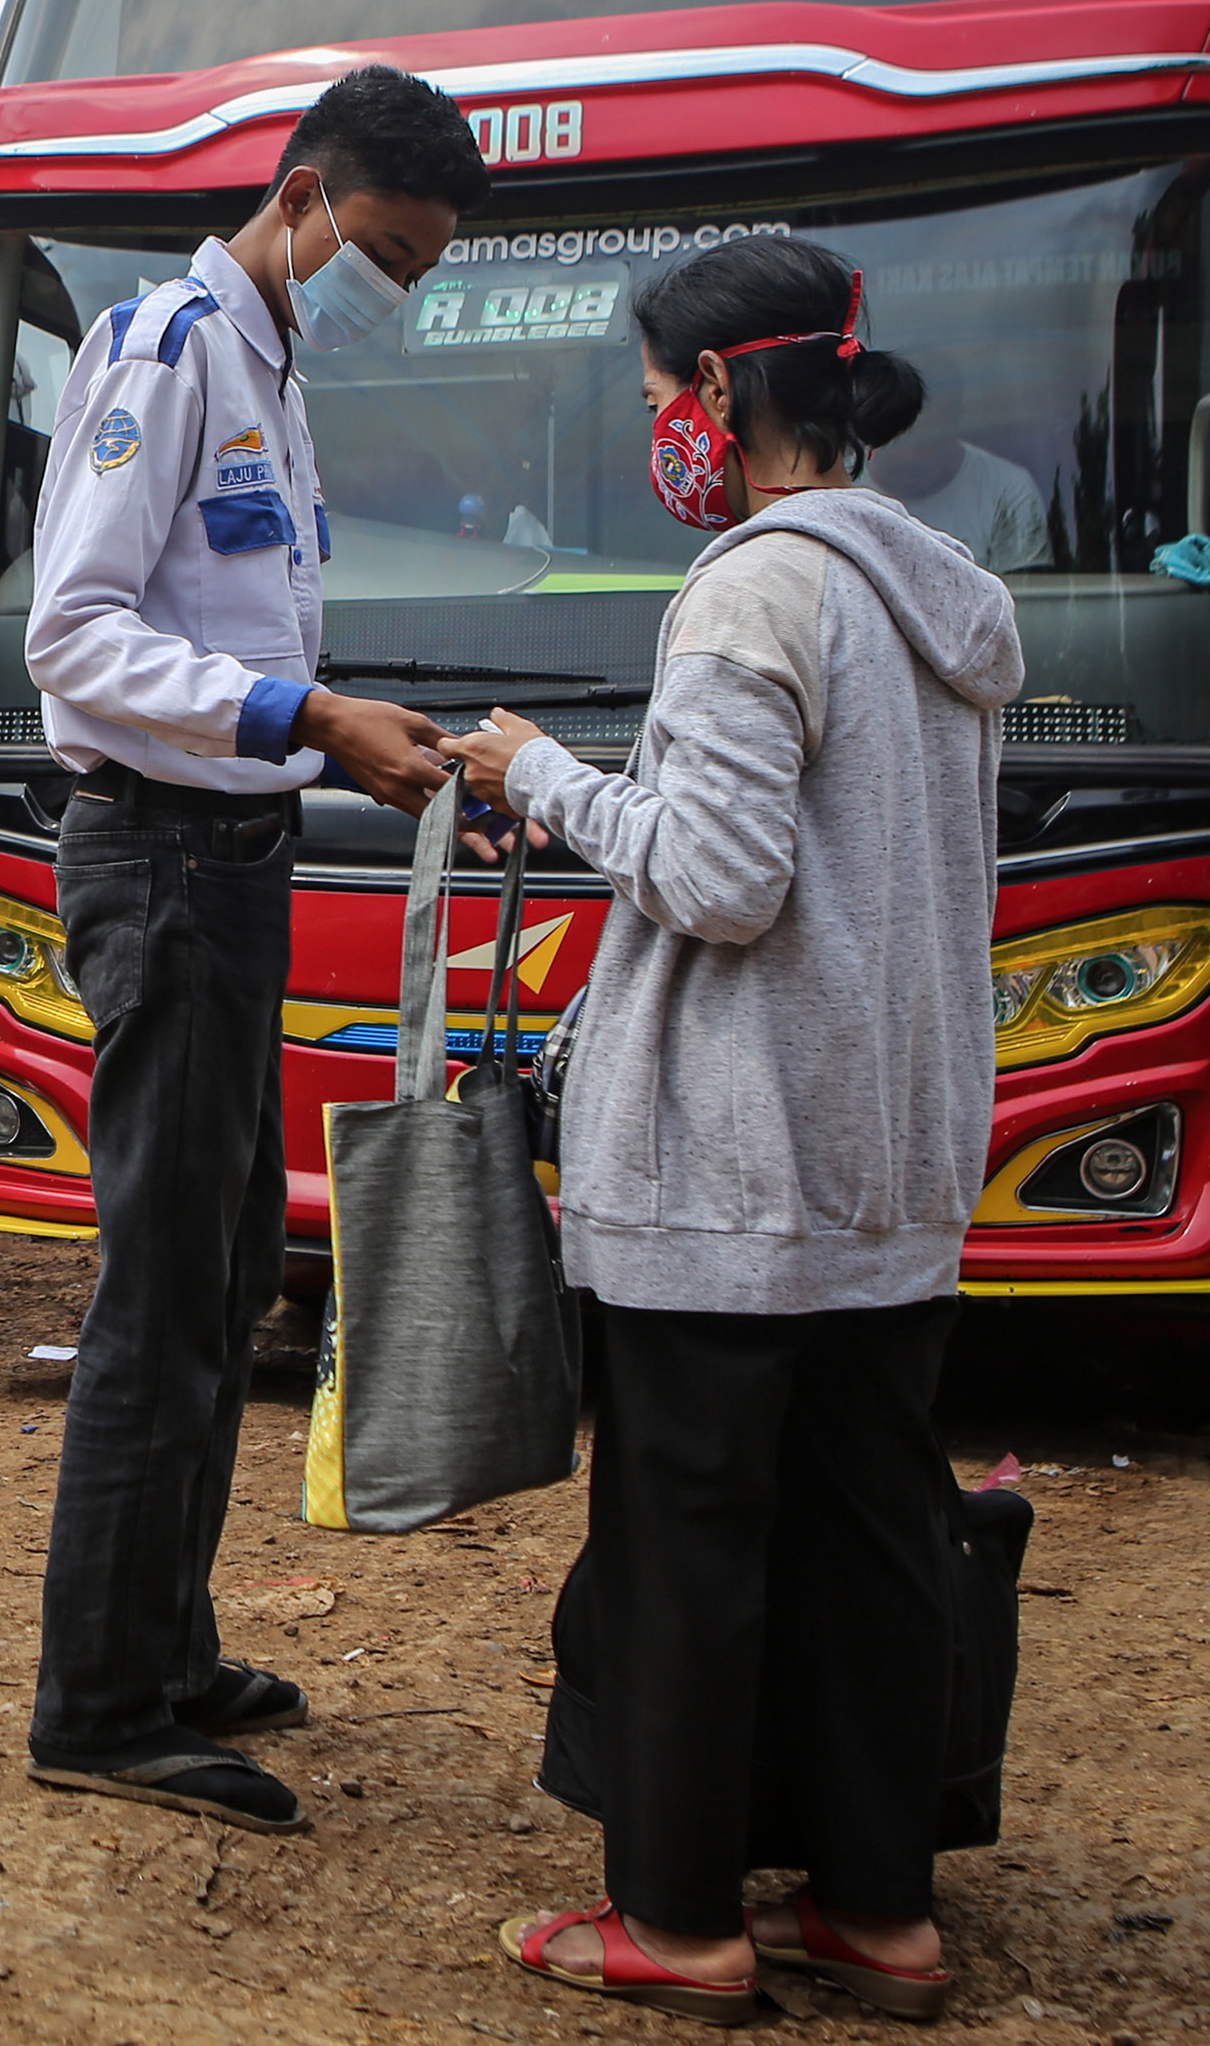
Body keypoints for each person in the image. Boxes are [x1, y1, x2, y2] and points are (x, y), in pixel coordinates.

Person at [442, 233, 1021, 2026]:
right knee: (870, 1537)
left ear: (722, 394)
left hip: (732, 1166)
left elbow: (719, 877)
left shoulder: (753, 589)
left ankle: (680, 1919)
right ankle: (876, 1910)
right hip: (889, 1162)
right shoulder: (944, 592)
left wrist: (532, 775)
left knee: (683, 1546)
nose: (658, 438)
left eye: (654, 402)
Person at [16, 65, 485, 1835]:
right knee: (163, 1285)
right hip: (161, 861)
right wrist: (302, 707)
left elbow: (235, 639)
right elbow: (75, 636)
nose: (399, 290)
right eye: (385, 249)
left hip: (233, 857)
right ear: (300, 195)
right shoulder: (167, 349)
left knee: (222, 1273)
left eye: (425, 268)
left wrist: (354, 730)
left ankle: (169, 1642)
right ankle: (100, 1699)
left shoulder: (270, 373)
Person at [876, 422, 1049, 571]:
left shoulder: (1007, 488)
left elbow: (1020, 597)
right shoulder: (849, 484)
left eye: (926, 442)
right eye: (896, 440)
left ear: (950, 433)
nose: (909, 457)